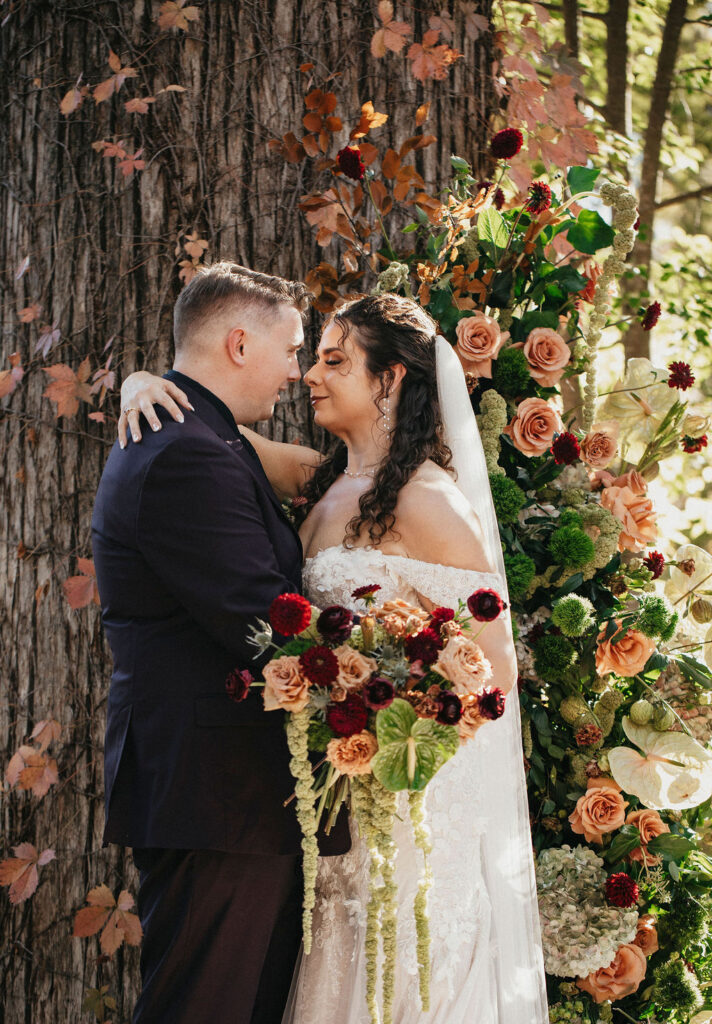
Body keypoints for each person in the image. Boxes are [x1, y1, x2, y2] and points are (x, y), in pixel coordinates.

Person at [119, 292, 548, 1023]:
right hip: (329, 809)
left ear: (391, 381)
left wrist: (387, 729)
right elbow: (205, 429)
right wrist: (139, 384)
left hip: (403, 807)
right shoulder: (321, 480)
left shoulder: (430, 503)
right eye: (311, 357)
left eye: (334, 360)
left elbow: (492, 672)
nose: (311, 375)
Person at [91, 261, 350, 1024]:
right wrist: (392, 670)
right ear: (239, 343)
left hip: (228, 791)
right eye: (292, 349)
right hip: (218, 789)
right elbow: (260, 623)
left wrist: (139, 378)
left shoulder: (204, 434)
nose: (297, 372)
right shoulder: (185, 452)